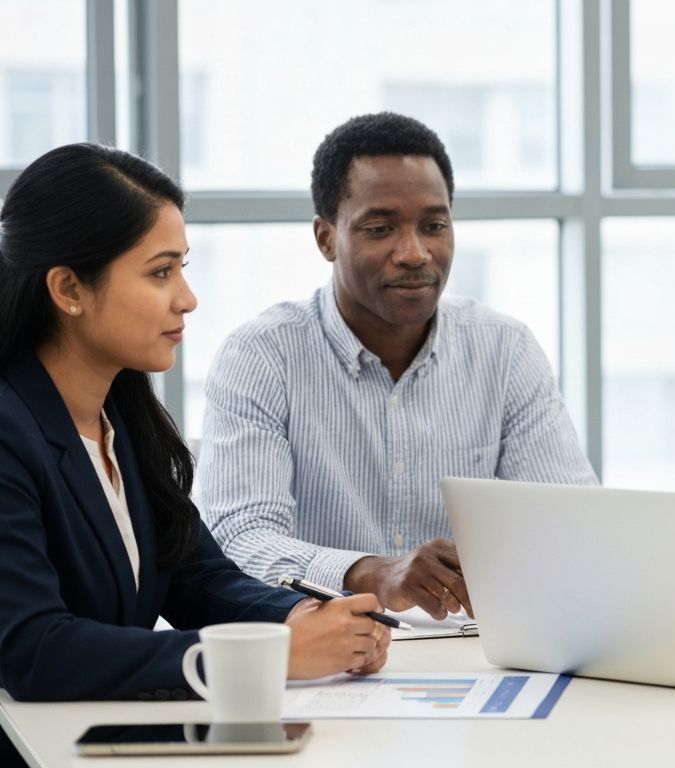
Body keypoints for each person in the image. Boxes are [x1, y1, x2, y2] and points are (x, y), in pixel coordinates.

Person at [0, 144, 390, 715]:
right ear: (69, 290)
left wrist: (307, 620)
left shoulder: (123, 417)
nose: (187, 299)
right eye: (160, 272)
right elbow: (35, 651)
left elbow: (196, 577)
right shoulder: (10, 433)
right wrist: (271, 655)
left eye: (182, 268)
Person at [196, 113, 597, 620]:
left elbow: (572, 527)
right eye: (380, 228)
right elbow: (238, 539)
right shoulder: (261, 356)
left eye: (434, 225)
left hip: (477, 649)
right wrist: (372, 573)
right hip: (330, 653)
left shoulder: (505, 350)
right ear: (326, 238)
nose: (415, 253)